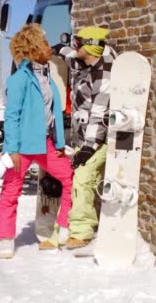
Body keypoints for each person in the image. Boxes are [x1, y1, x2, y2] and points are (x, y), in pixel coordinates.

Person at [0, 23, 74, 259]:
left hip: (46, 143)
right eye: (45, 43)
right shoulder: (19, 79)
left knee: (69, 178)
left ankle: (64, 225)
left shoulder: (47, 74)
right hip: (23, 147)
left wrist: (59, 143)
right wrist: (11, 150)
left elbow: (54, 113)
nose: (50, 47)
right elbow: (12, 116)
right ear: (33, 48)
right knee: (11, 191)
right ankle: (6, 239)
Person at [54, 26, 117, 249]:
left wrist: (89, 147)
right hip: (82, 135)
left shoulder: (104, 74)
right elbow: (74, 59)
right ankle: (84, 221)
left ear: (90, 45)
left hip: (98, 139)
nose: (74, 46)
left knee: (83, 176)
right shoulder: (88, 60)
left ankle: (81, 232)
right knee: (82, 178)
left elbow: (100, 113)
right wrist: (59, 50)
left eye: (77, 42)